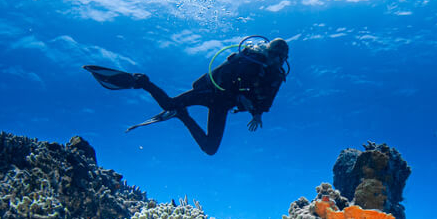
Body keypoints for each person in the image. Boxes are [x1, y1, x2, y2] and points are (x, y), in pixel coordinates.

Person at [84, 37, 289, 155]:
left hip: (223, 105)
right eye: (274, 54)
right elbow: (230, 77)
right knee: (168, 103)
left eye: (280, 57)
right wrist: (241, 96)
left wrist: (258, 114)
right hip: (212, 92)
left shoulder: (276, 75)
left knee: (210, 148)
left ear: (284, 58)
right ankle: (141, 81)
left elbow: (268, 98)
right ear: (269, 50)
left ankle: (182, 115)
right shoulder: (251, 58)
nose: (275, 60)